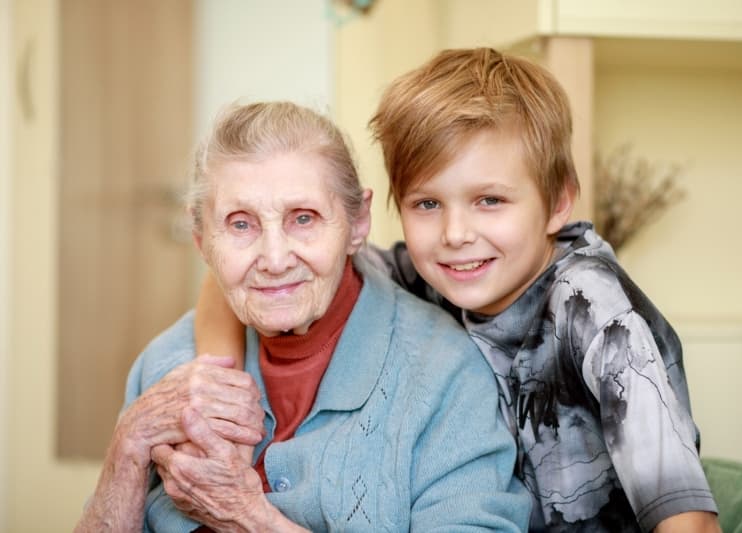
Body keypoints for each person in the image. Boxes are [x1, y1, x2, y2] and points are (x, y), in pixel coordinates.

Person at [193, 49, 722, 532]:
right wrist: (220, 389)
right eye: (427, 204)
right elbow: (263, 275)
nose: (455, 234)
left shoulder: (595, 312)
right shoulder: (431, 271)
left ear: (559, 203)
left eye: (490, 200)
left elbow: (687, 522)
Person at [75, 101, 531, 532]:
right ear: (201, 241)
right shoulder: (169, 366)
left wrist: (250, 518)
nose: (274, 259)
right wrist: (128, 445)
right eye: (240, 224)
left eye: (304, 218)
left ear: (357, 223)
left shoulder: (444, 376)